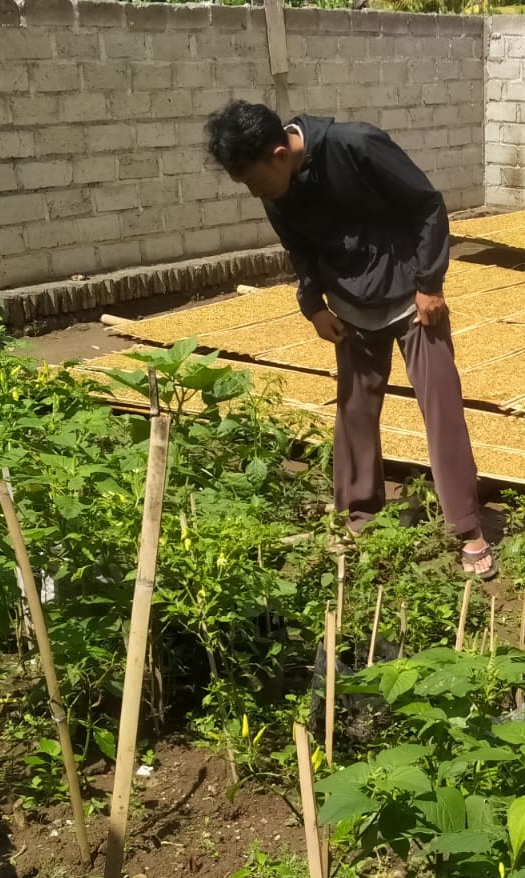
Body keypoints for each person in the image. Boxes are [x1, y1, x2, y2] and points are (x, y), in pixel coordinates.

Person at [203, 101, 497, 578]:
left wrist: (430, 284)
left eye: (256, 181)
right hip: (351, 306)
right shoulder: (276, 192)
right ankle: (357, 518)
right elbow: (298, 249)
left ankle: (467, 527)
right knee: (354, 415)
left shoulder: (356, 144)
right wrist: (314, 306)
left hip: (411, 299)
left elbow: (426, 204)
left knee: (442, 408)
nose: (256, 193)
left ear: (280, 153)